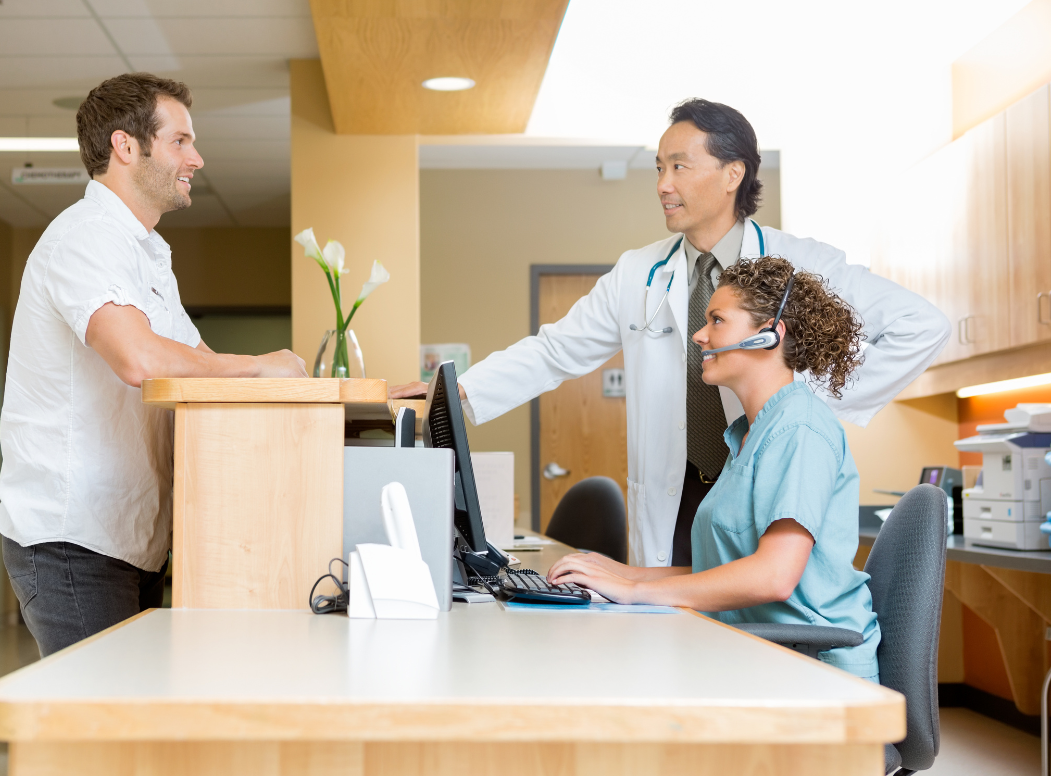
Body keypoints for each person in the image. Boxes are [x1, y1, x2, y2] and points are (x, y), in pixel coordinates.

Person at [390, 98, 949, 569]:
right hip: (675, 496)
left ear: (734, 174)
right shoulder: (639, 272)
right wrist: (456, 392)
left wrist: (804, 402)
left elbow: (922, 326)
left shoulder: (798, 264)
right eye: (659, 168)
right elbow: (556, 349)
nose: (662, 184)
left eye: (679, 167)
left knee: (756, 634)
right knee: (672, 644)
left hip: (762, 484)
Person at [0, 73, 308, 656]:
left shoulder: (148, 254)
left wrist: (306, 382)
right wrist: (261, 366)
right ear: (126, 146)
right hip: (74, 541)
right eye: (180, 141)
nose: (197, 157)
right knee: (103, 730)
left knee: (128, 724)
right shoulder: (84, 238)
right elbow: (138, 357)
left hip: (130, 538)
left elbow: (200, 363)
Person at [548, 256, 880, 680]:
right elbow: (722, 570)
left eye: (717, 320)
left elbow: (774, 577)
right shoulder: (748, 433)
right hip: (760, 652)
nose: (700, 336)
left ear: (768, 336)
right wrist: (618, 572)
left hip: (814, 670)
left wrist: (634, 592)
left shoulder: (800, 428)